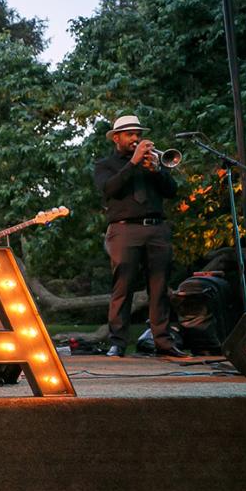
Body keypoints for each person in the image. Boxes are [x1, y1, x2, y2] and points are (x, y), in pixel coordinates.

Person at [93, 115, 189, 358]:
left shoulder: (152, 163)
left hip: (157, 229)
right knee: (122, 286)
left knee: (159, 288)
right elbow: (109, 189)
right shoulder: (105, 165)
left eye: (137, 133)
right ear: (117, 138)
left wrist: (157, 171)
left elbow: (172, 191)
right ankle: (118, 343)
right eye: (129, 134)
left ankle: (163, 343)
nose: (136, 138)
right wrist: (133, 163)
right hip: (124, 230)